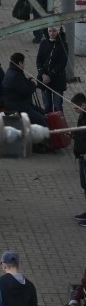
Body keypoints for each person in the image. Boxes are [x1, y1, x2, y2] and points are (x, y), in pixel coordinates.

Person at [2, 52, 46, 126]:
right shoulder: (16, 75)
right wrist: (33, 85)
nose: (25, 64)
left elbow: (20, 85)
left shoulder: (12, 71)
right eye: (24, 62)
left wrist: (28, 81)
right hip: (18, 106)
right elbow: (26, 91)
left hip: (16, 103)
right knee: (41, 119)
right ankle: (44, 135)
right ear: (20, 63)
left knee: (43, 112)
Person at [36, 26, 68, 113]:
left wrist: (50, 76)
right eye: (50, 31)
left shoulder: (63, 44)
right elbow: (39, 60)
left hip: (58, 80)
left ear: (57, 31)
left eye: (54, 31)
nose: (52, 33)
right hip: (44, 80)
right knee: (47, 106)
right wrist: (42, 73)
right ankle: (49, 125)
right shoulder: (43, 43)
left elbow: (62, 63)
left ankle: (60, 125)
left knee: (57, 106)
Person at [71, 93, 86, 227]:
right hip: (81, 156)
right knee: (85, 186)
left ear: (83, 105)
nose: (75, 111)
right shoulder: (82, 117)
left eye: (76, 108)